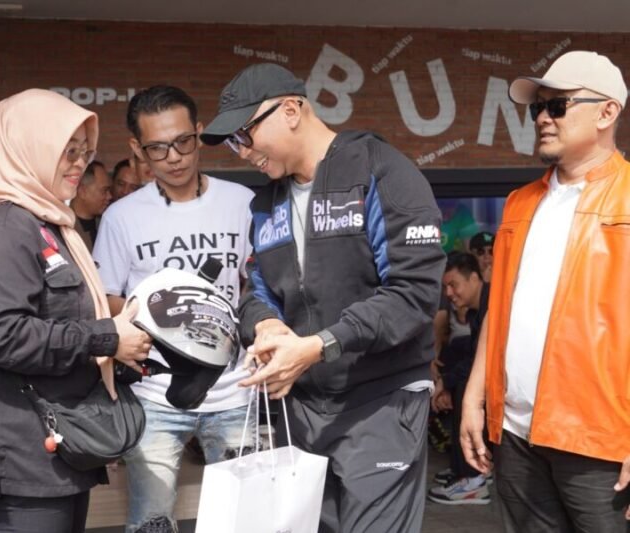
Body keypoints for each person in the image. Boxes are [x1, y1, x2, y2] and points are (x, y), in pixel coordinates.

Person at [201, 63, 446, 533]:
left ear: (291, 110)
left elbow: (413, 295)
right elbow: (256, 291)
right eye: (234, 142)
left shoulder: (379, 170)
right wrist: (266, 325)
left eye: (245, 134)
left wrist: (320, 345)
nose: (243, 151)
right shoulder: (267, 204)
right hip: (303, 410)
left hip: (381, 402)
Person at [0, 89, 151, 533]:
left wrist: (121, 346)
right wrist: (106, 337)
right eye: (67, 152)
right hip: (20, 450)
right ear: (26, 151)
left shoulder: (47, 224)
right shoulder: (3, 229)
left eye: (84, 152)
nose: (79, 164)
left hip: (55, 445)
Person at [461, 50, 630, 531]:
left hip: (601, 439)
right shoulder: (520, 203)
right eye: (538, 108)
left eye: (558, 105)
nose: (541, 118)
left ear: (607, 112)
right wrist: (474, 397)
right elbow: (499, 310)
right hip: (516, 434)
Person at [93, 85, 254, 533]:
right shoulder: (122, 217)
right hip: (154, 394)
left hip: (235, 389)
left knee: (246, 519)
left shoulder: (242, 203)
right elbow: (107, 298)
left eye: (184, 141)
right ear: (137, 148)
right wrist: (161, 320)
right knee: (152, 522)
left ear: (199, 132)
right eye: (158, 148)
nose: (175, 157)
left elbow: (256, 286)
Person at [428, 252, 490, 505]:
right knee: (454, 353)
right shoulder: (476, 311)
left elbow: (480, 360)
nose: (449, 293)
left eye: (454, 285)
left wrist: (446, 382)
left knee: (465, 387)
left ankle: (474, 478)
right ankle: (461, 466)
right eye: (446, 287)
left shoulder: (492, 304)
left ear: (474, 278)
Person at [71, 161, 113, 251]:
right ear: (82, 191)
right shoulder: (63, 228)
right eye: (104, 191)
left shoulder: (109, 224)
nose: (109, 196)